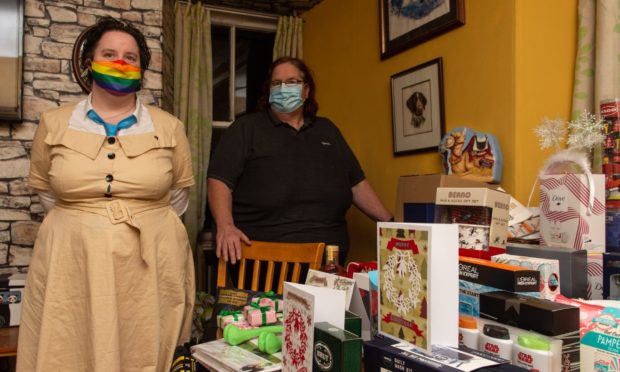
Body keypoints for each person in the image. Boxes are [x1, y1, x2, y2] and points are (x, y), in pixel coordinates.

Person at [18, 17, 195, 371]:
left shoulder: (170, 126)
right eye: (110, 53)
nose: (120, 62)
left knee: (145, 344)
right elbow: (46, 190)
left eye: (130, 57)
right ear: (89, 62)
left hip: (151, 265)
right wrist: (88, 222)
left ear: (142, 68)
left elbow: (177, 197)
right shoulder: (54, 122)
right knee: (67, 344)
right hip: (72, 260)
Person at [207, 57, 392, 265]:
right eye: (277, 83)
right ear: (269, 91)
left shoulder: (327, 130)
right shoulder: (246, 128)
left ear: (306, 91)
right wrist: (225, 226)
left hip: (328, 264)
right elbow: (219, 180)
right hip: (265, 264)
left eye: (292, 82)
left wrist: (392, 224)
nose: (283, 88)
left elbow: (356, 183)